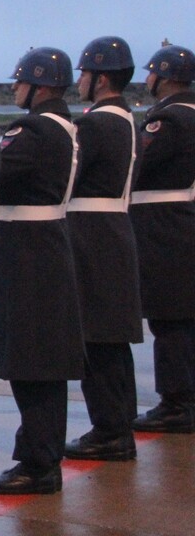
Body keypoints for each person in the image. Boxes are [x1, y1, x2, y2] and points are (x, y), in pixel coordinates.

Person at [0, 47, 84, 496]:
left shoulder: (34, 128)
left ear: (39, 85)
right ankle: (41, 455)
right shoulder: (63, 124)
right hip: (43, 248)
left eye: (20, 83)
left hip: (28, 254)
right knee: (41, 362)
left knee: (33, 363)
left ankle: (39, 463)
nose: (15, 89)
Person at [64, 36, 144, 461]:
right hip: (113, 228)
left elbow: (66, 172)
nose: (79, 81)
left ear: (102, 78)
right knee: (110, 337)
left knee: (97, 337)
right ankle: (118, 423)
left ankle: (110, 430)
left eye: (84, 73)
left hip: (91, 233)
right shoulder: (128, 119)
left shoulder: (96, 123)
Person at [130, 43, 195, 434]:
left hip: (164, 227)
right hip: (182, 222)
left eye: (152, 72)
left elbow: (137, 159)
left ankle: (176, 402)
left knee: (169, 318)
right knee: (185, 319)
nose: (148, 79)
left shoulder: (169, 120)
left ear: (166, 76)